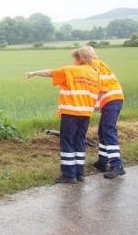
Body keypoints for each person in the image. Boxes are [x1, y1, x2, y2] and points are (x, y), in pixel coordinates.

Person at [26, 48, 100, 183]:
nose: (73, 61)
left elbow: (50, 73)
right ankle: (79, 174)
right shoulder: (94, 74)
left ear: (79, 58)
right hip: (85, 114)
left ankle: (69, 175)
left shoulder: (71, 70)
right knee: (79, 141)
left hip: (70, 113)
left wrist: (34, 73)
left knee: (67, 141)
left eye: (74, 58)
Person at [83, 45, 126, 179]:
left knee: (108, 130)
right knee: (103, 131)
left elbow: (99, 87)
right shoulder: (99, 64)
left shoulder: (93, 66)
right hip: (114, 99)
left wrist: (94, 105)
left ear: (85, 57)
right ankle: (102, 162)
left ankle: (117, 165)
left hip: (111, 99)